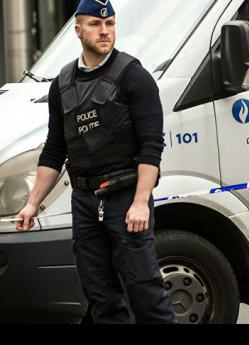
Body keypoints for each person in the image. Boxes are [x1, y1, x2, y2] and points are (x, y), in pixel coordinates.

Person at [15, 0, 175, 324]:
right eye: (95, 24)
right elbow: (54, 150)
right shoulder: (62, 84)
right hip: (85, 202)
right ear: (78, 29)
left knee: (145, 293)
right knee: (99, 295)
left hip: (125, 199)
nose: (105, 31)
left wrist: (141, 202)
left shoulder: (134, 76)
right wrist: (32, 204)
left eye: (110, 24)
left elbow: (151, 145)